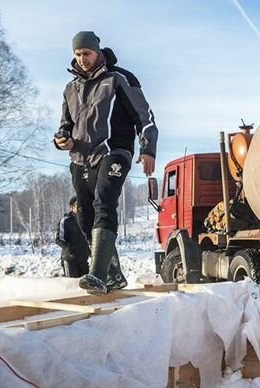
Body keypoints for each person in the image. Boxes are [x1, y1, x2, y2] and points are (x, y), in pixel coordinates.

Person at [54, 31, 158, 294]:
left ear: (97, 52)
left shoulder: (119, 79)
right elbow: (65, 126)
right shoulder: (70, 89)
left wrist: (148, 150)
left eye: (86, 53)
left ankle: (97, 275)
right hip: (80, 159)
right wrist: (61, 140)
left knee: (104, 201)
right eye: (78, 54)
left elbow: (145, 118)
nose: (82, 58)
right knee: (85, 215)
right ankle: (113, 274)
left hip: (114, 151)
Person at [55, 196, 90, 278]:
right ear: (72, 207)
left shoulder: (86, 220)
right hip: (70, 259)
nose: (80, 208)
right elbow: (59, 239)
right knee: (71, 285)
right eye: (78, 205)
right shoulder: (66, 221)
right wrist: (70, 249)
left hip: (84, 259)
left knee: (84, 286)